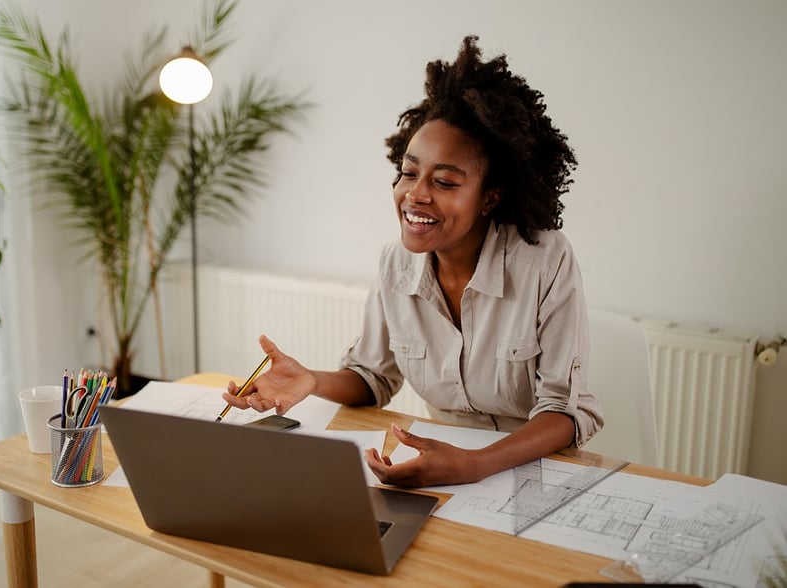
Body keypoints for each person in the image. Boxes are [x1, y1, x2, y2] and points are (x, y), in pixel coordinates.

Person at [222, 35, 603, 487]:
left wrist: (475, 464)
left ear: (490, 198)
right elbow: (371, 378)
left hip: (533, 471)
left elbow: (562, 409)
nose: (415, 194)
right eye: (408, 173)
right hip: (440, 465)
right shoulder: (396, 262)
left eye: (444, 181)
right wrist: (310, 381)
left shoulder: (544, 260)